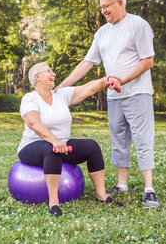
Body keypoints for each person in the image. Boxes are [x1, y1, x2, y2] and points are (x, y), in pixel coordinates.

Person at [55, 0, 160, 209]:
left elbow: (147, 61)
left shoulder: (138, 25)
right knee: (119, 141)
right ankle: (122, 185)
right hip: (114, 97)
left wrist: (122, 79)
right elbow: (87, 63)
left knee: (142, 140)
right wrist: (63, 85)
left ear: (120, 3)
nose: (103, 11)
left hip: (138, 93)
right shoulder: (101, 33)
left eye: (107, 6)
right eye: (101, 7)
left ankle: (149, 189)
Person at [18, 62, 123, 217]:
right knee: (51, 149)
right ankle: (53, 202)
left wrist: (104, 81)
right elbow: (33, 123)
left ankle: (102, 195)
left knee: (92, 146)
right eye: (49, 71)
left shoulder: (61, 95)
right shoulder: (30, 99)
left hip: (61, 144)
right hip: (32, 147)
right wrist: (55, 141)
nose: (53, 74)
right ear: (37, 77)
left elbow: (86, 88)